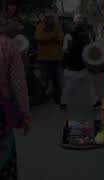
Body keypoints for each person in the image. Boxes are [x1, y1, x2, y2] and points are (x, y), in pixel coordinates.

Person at [0, 16, 31, 179]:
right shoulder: (8, 45)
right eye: (14, 22)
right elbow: (19, 84)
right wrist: (25, 115)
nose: (18, 27)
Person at [60, 14, 91, 110]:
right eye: (77, 23)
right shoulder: (70, 35)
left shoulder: (86, 35)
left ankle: (93, 102)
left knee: (88, 84)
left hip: (82, 64)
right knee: (70, 86)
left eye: (80, 23)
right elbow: (65, 49)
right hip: (74, 64)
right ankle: (64, 102)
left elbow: (90, 48)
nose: (78, 25)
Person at [35, 9, 64, 104]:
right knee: (44, 79)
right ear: (44, 18)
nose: (49, 20)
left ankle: (57, 98)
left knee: (57, 79)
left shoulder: (57, 26)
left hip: (56, 57)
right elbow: (38, 38)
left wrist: (47, 39)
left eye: (50, 17)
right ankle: (42, 97)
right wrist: (51, 37)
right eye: (47, 18)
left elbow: (60, 39)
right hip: (43, 58)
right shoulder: (40, 26)